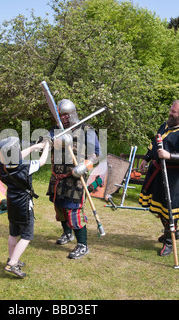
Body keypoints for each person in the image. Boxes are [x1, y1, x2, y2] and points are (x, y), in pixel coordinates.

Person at [139, 100, 179, 256]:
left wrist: (169, 156)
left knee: (169, 210)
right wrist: (146, 158)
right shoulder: (165, 126)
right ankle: (170, 233)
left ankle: (169, 241)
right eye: (171, 111)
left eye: (174, 112)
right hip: (157, 173)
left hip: (174, 178)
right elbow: (154, 144)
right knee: (159, 208)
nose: (170, 114)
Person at [47, 99, 100, 259]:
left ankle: (83, 245)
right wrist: (47, 142)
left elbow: (96, 154)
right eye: (59, 115)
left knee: (73, 212)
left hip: (75, 177)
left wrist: (85, 166)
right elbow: (45, 142)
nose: (62, 118)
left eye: (65, 115)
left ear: (72, 114)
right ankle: (67, 233)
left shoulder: (87, 130)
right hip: (57, 176)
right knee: (60, 209)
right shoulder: (55, 130)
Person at [0, 136, 50, 278]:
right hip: (23, 204)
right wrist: (47, 147)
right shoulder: (25, 167)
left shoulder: (2, 167)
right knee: (26, 236)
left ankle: (11, 257)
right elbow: (42, 161)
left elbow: (16, 157)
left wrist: (33, 148)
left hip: (11, 203)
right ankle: (12, 264)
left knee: (13, 233)